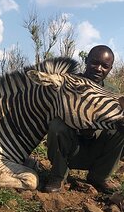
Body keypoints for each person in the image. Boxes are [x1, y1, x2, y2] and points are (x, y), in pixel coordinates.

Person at [44, 45, 124, 194]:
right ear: (86, 61)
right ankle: (58, 176)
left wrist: (94, 129)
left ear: (110, 69)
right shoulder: (69, 84)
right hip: (71, 147)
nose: (98, 68)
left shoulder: (112, 92)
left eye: (105, 66)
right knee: (56, 125)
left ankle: (99, 177)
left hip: (96, 150)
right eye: (94, 62)